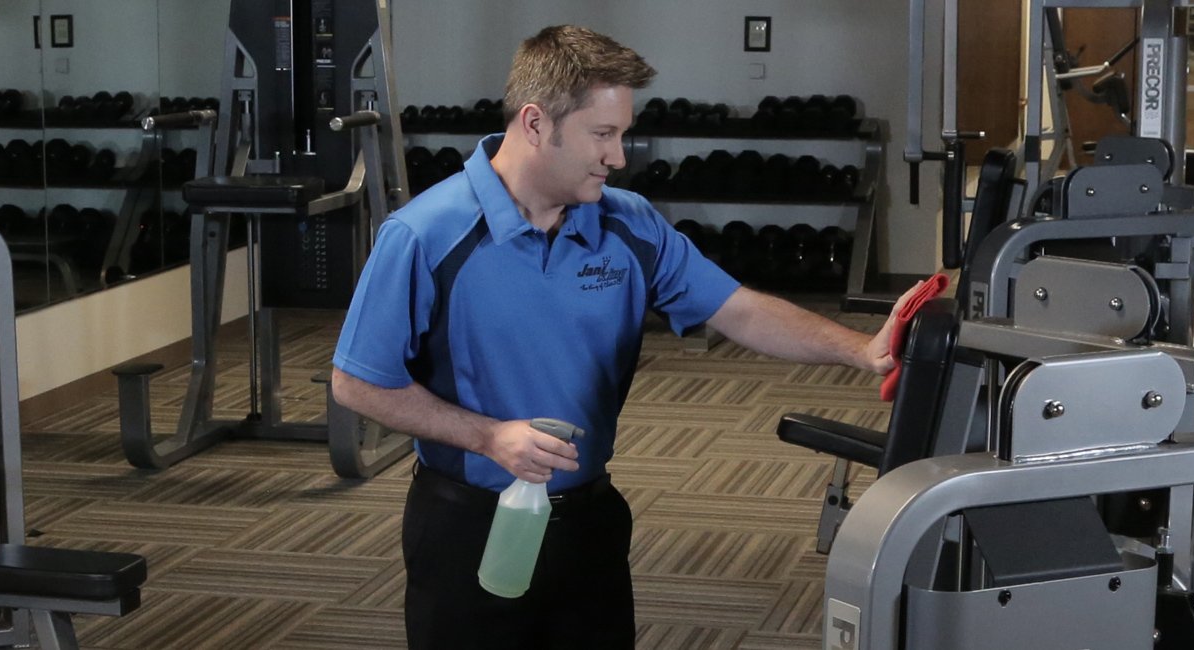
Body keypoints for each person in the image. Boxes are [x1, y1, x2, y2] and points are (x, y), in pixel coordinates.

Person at [329, 25, 905, 649]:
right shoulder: (424, 234)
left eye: (622, 134)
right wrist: (487, 436)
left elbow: (738, 311)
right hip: (468, 522)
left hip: (589, 520)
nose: (619, 157)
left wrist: (860, 349)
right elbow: (357, 383)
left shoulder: (629, 224)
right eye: (602, 134)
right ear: (536, 123)